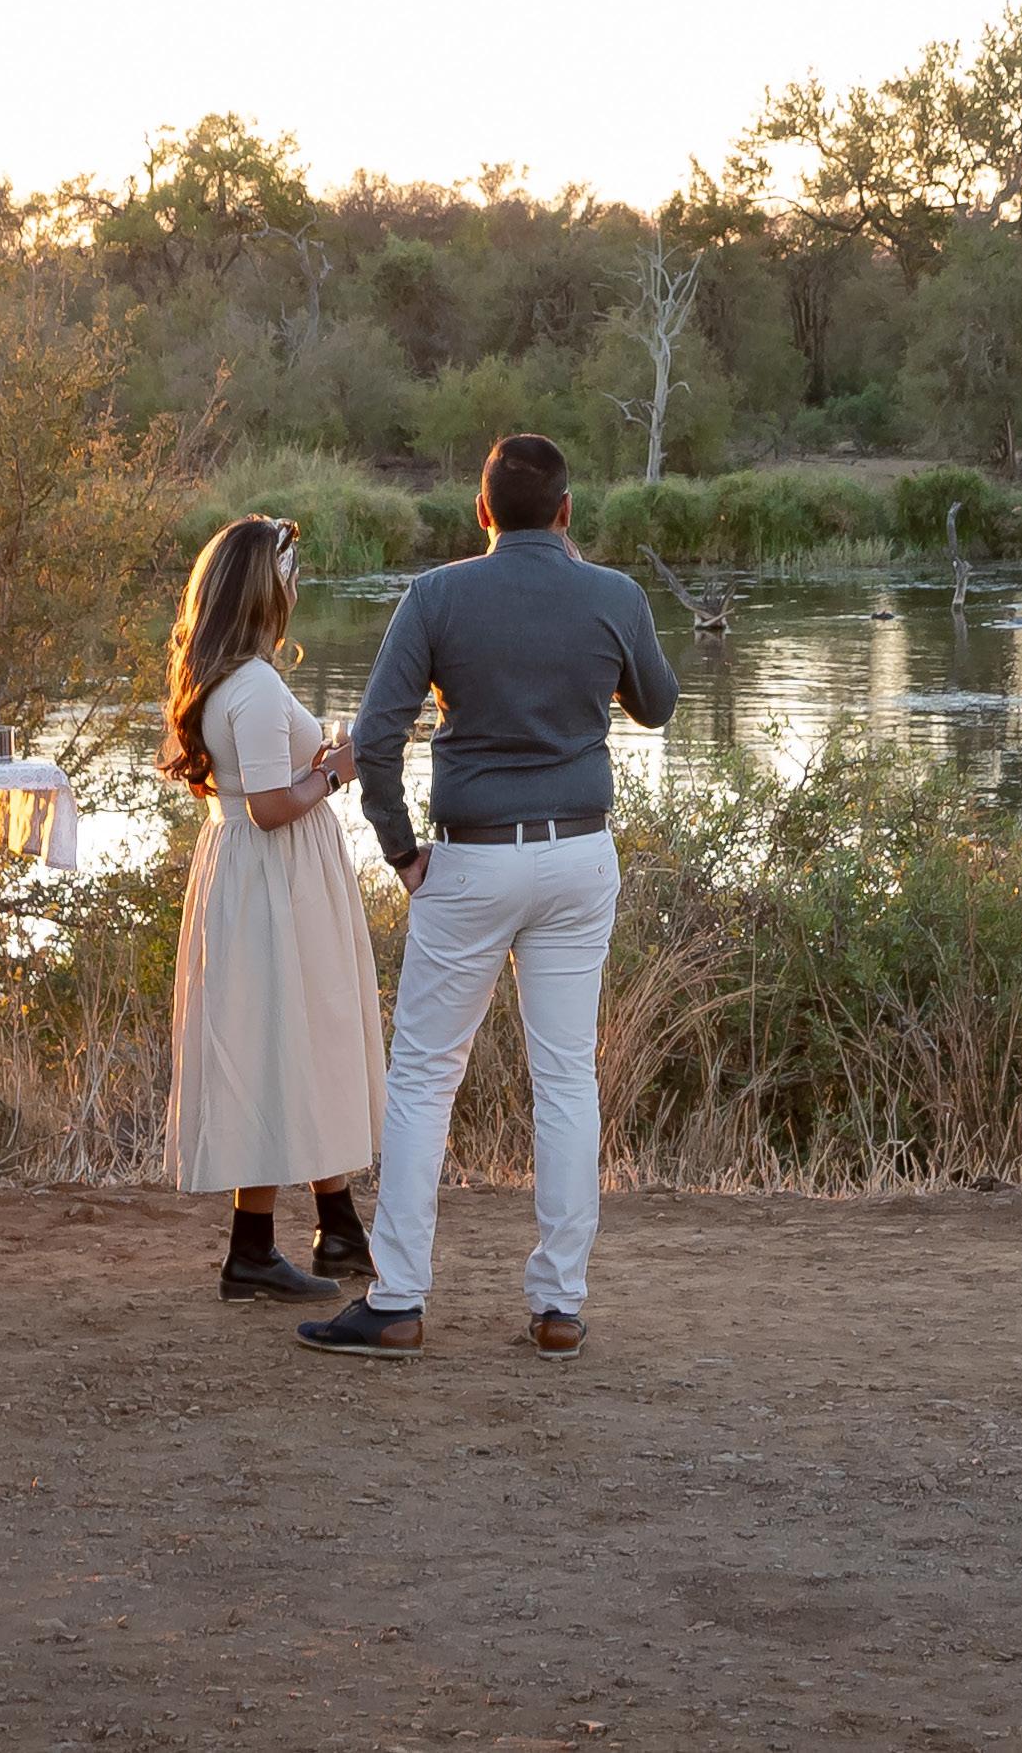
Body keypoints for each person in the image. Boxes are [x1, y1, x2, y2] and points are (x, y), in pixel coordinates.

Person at [300, 431, 678, 1361]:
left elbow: (376, 736)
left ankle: (397, 1299)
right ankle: (558, 1305)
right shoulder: (613, 595)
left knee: (425, 1077)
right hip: (578, 854)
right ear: (566, 511)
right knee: (566, 1076)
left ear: (480, 512)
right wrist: (585, 590)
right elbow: (658, 704)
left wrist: (400, 851)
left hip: (470, 860)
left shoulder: (436, 594)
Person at [160, 515, 385, 1302]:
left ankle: (338, 1224)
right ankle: (251, 1250)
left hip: (271, 874)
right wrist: (339, 770)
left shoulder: (232, 674)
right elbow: (265, 806)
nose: (297, 585)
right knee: (271, 1041)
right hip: (271, 876)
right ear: (262, 585)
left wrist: (314, 762)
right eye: (289, 571)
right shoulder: (252, 684)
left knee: (305, 1034)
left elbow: (258, 782)